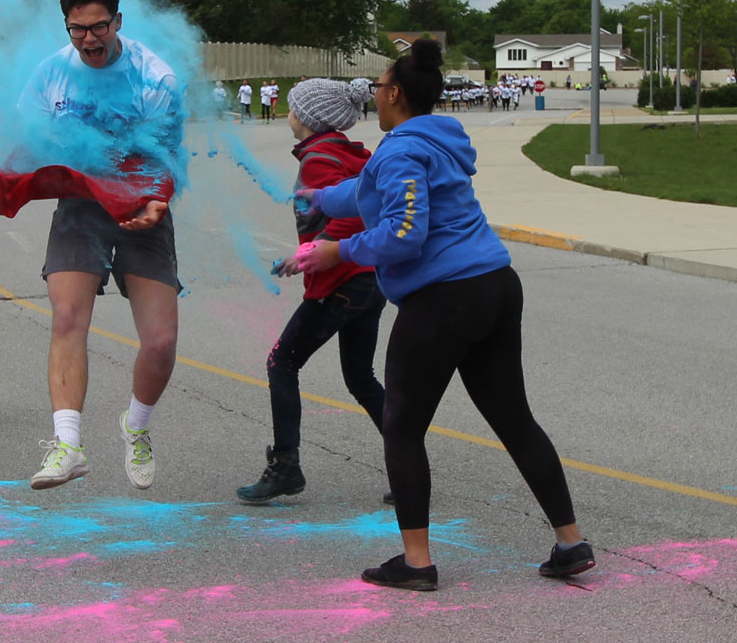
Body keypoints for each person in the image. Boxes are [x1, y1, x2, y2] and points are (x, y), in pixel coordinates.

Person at [285, 39, 594, 591]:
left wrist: (339, 250)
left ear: (396, 93)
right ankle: (571, 544)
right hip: (495, 286)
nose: (373, 96)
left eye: (378, 87)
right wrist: (320, 200)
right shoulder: (436, 139)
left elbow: (405, 234)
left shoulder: (401, 149)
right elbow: (367, 189)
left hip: (443, 299)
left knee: (402, 427)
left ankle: (417, 563)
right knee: (514, 419)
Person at [0, 0, 184, 492]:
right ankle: (67, 445)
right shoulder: (48, 76)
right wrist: (2, 183)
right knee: (66, 316)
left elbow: (164, 151)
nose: (89, 39)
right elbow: (31, 147)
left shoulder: (156, 78)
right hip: (80, 206)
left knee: (161, 341)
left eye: (98, 26)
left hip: (139, 199)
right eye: (77, 30)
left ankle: (137, 424)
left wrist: (157, 199)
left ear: (118, 22)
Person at [238, 77, 388, 505]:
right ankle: (408, 462)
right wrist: (304, 253)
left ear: (306, 117)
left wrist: (322, 252)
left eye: (291, 107)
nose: (288, 114)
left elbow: (355, 213)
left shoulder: (319, 158)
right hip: (370, 279)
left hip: (342, 282)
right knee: (361, 377)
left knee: (281, 364)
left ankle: (285, 466)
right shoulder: (349, 153)